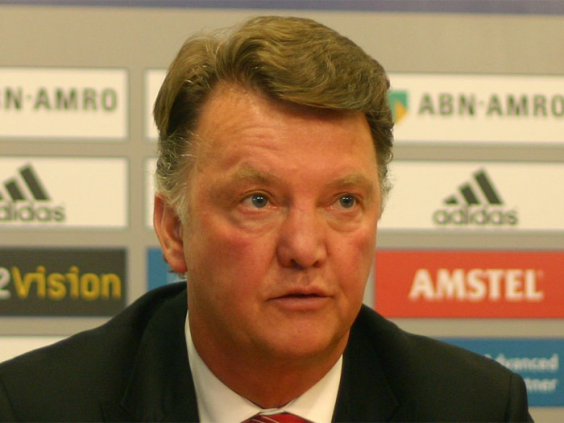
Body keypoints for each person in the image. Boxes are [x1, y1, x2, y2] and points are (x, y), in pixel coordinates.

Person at [0, 16, 532, 423]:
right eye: (258, 201)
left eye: (344, 202)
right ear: (174, 229)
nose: (304, 248)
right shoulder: (34, 408)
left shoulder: (476, 408)